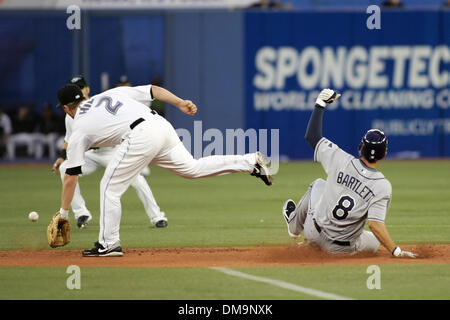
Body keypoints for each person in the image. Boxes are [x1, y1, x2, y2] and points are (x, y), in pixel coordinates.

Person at [56, 82, 272, 257]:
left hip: (139, 135)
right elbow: (154, 90)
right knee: (192, 168)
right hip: (160, 125)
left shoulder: (78, 128)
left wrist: (63, 214)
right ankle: (250, 161)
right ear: (83, 97)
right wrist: (180, 103)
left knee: (109, 187)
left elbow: (70, 177)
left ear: (66, 109)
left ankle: (109, 243)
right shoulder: (111, 93)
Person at [281, 89, 417, 258]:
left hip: (314, 232)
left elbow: (312, 136)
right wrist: (396, 251)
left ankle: (295, 228)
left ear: (361, 148)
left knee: (318, 184)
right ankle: (314, 243)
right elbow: (375, 224)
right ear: (384, 154)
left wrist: (320, 104)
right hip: (341, 249)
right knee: (376, 240)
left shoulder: (339, 158)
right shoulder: (382, 185)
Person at [52, 75, 168, 229]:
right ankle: (81, 214)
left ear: (87, 89)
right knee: (64, 169)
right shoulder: (71, 116)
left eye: (81, 87)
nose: (79, 91)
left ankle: (157, 216)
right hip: (90, 155)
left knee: (137, 179)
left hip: (112, 152)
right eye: (76, 88)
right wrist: (61, 157)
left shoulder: (101, 103)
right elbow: (69, 139)